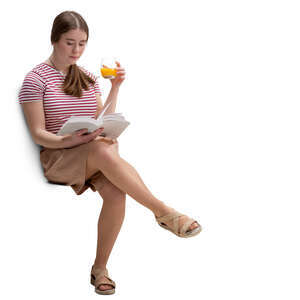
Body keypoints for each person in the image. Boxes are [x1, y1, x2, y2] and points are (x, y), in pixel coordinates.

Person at [18, 10, 202, 296]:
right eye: (70, 42)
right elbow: (39, 133)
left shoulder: (88, 77)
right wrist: (71, 140)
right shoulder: (36, 80)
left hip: (93, 155)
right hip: (58, 157)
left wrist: (115, 89)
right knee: (102, 150)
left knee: (116, 188)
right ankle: (163, 212)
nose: (77, 50)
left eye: (82, 43)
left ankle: (100, 269)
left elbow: (103, 119)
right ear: (54, 40)